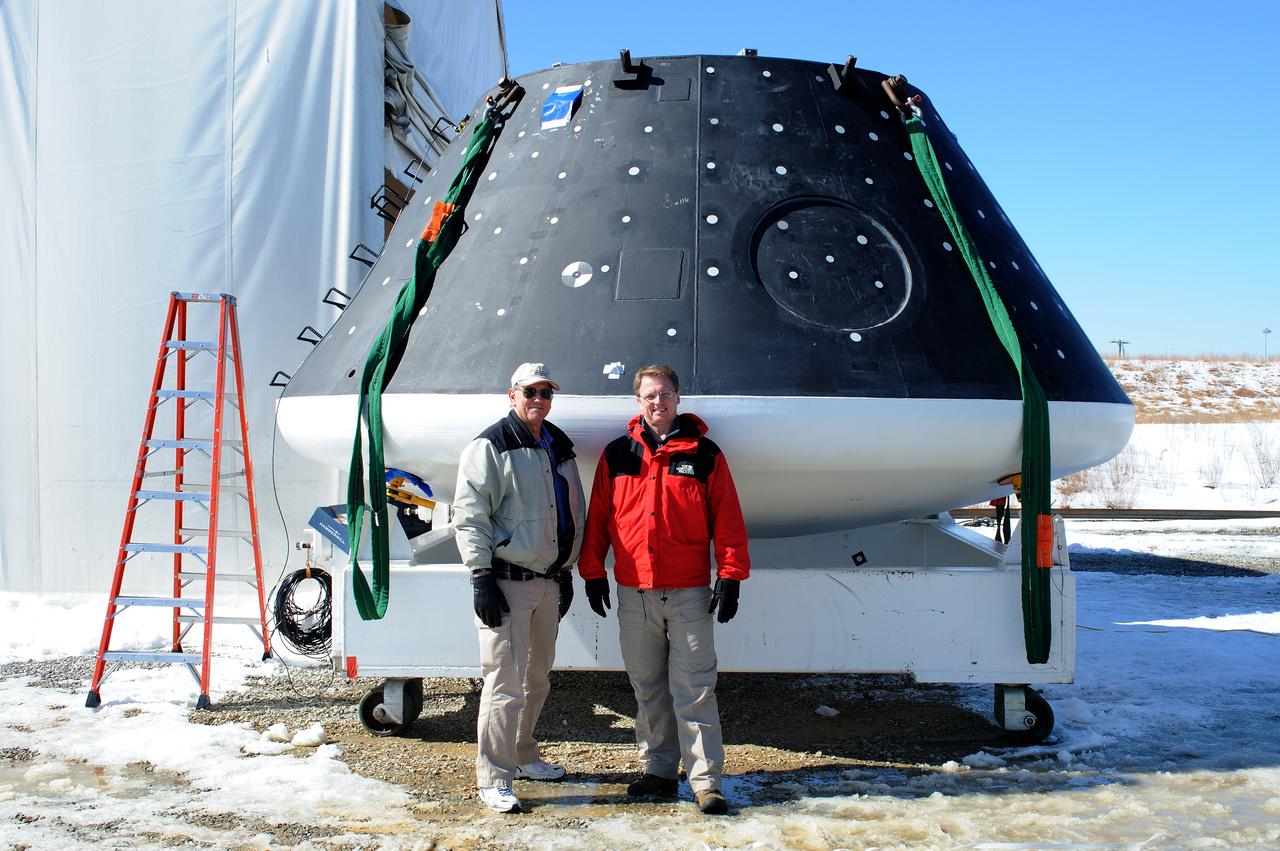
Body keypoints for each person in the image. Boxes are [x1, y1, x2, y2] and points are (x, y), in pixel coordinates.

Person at [578, 363, 750, 815]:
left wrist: (730, 576)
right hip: (635, 593)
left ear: (678, 399)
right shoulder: (617, 455)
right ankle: (657, 770)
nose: (658, 402)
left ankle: (706, 782)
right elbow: (598, 519)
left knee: (694, 688)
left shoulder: (706, 455)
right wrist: (592, 570)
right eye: (650, 395)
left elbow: (727, 521)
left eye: (666, 394)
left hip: (689, 591)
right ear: (639, 402)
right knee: (647, 685)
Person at [453, 362, 586, 814]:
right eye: (530, 392)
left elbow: (567, 512)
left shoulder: (557, 445)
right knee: (503, 682)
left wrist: (565, 570)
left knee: (537, 678)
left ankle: (524, 753)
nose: (539, 400)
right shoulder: (491, 445)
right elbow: (470, 514)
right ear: (512, 395)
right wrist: (480, 577)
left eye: (546, 392)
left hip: (548, 580)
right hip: (507, 582)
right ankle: (494, 775)